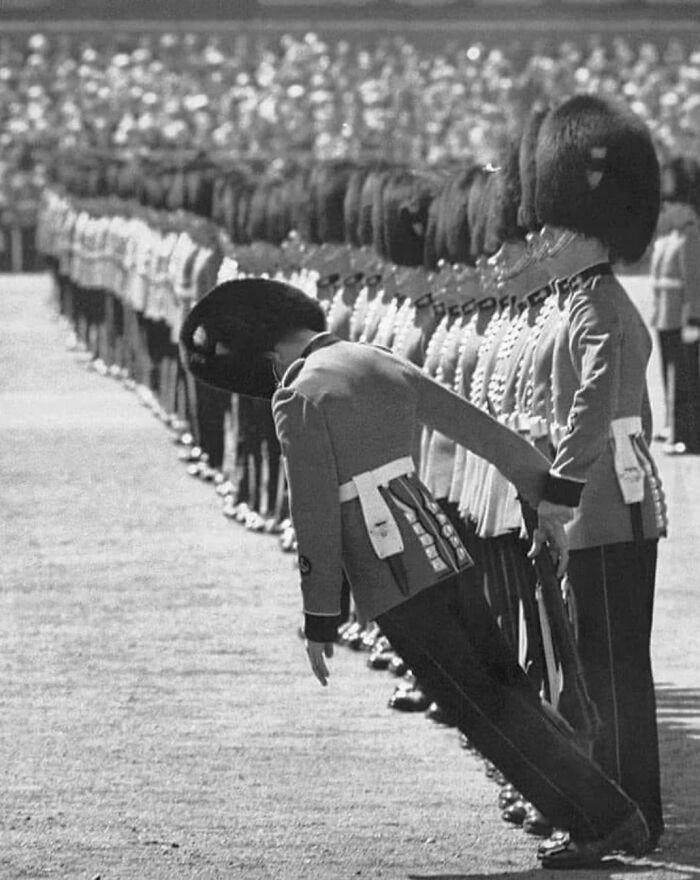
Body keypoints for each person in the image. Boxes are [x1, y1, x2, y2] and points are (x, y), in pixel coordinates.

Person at [180, 275, 652, 868]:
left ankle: (601, 821)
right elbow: (483, 432)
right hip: (443, 546)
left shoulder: (296, 395)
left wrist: (321, 615)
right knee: (507, 689)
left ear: (267, 354)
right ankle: (606, 812)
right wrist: (549, 493)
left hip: (391, 574)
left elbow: (317, 515)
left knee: (479, 708)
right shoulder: (375, 358)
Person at [534, 93, 668, 853]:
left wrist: (558, 489)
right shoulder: (587, 299)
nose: (543, 240)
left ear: (587, 229)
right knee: (601, 662)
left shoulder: (600, 307)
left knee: (609, 666)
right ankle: (625, 812)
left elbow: (589, 407)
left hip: (606, 502)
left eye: (554, 226)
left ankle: (622, 816)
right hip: (603, 499)